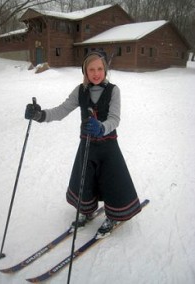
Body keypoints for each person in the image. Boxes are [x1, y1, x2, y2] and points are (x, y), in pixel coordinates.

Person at [25, 50, 141, 236]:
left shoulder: (113, 91)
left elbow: (114, 118)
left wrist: (102, 128)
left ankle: (113, 215)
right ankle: (85, 211)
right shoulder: (80, 91)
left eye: (100, 69)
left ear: (105, 70)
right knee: (84, 179)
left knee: (112, 180)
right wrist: (40, 115)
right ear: (85, 72)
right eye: (91, 69)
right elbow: (62, 110)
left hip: (108, 146)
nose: (96, 73)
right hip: (87, 145)